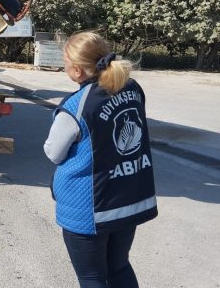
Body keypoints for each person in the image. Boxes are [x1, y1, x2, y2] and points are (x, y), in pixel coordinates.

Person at [43, 31, 157, 287]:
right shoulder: (132, 87)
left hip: (88, 208)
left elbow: (53, 152)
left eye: (65, 63)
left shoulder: (76, 105)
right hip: (127, 198)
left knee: (91, 276)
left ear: (77, 71)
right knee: (119, 267)